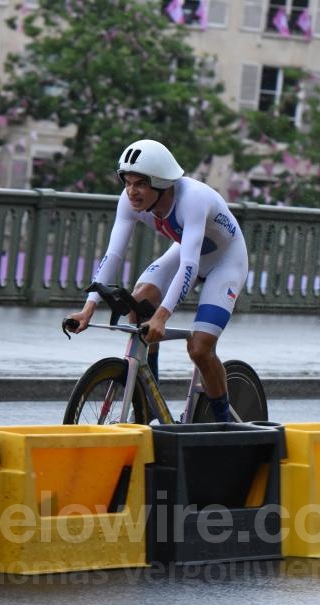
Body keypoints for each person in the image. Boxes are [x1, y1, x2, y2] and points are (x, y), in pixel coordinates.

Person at [65, 139, 248, 422]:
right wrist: (88, 308)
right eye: (126, 182)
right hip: (187, 251)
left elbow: (189, 265)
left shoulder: (192, 199)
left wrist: (162, 316)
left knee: (199, 348)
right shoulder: (129, 202)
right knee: (138, 305)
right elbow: (113, 255)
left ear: (162, 183)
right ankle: (151, 400)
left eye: (140, 183)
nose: (131, 191)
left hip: (224, 262)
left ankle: (225, 422)